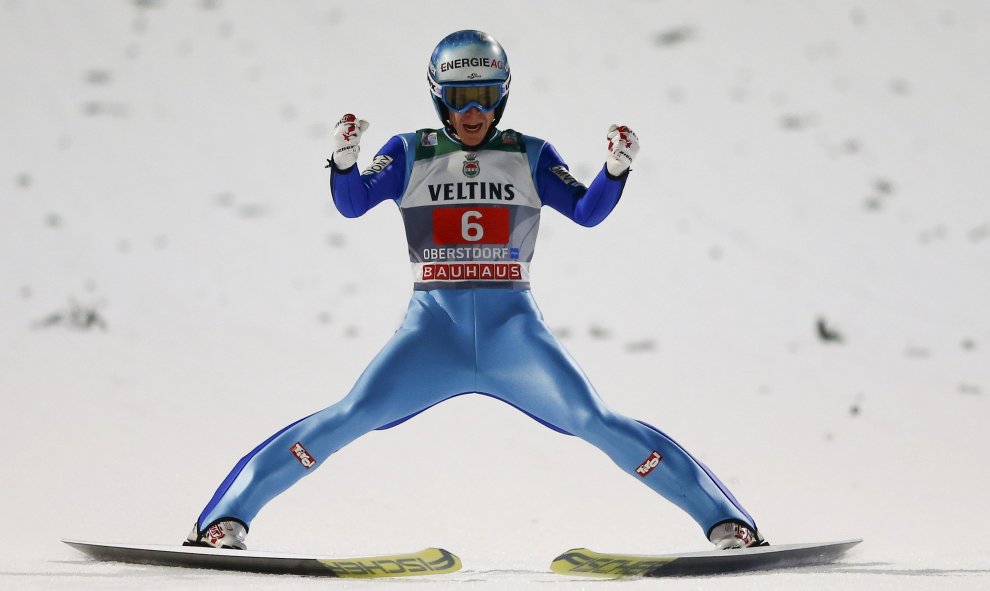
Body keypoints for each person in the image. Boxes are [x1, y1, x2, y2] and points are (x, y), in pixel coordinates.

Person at [185, 30, 766, 552]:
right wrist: (343, 162)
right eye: (460, 98)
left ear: (503, 96)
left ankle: (726, 523)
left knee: (593, 419)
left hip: (512, 331)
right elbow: (353, 203)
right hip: (431, 331)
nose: (472, 112)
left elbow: (586, 212)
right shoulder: (410, 150)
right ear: (438, 96)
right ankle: (225, 520)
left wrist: (615, 171)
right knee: (351, 415)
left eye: (485, 97)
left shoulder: (530, 154)